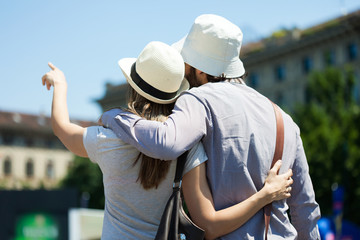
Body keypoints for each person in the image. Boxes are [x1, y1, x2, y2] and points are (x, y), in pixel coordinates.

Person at [42, 41, 293, 240]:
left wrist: (60, 85)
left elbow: (61, 128)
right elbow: (210, 226)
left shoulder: (107, 140)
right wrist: (265, 194)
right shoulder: (189, 147)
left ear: (133, 88)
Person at [100, 14, 321, 239]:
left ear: (201, 71)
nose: (184, 70)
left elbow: (165, 142)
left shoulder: (199, 100)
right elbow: (305, 209)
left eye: (187, 63)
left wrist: (116, 118)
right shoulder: (285, 120)